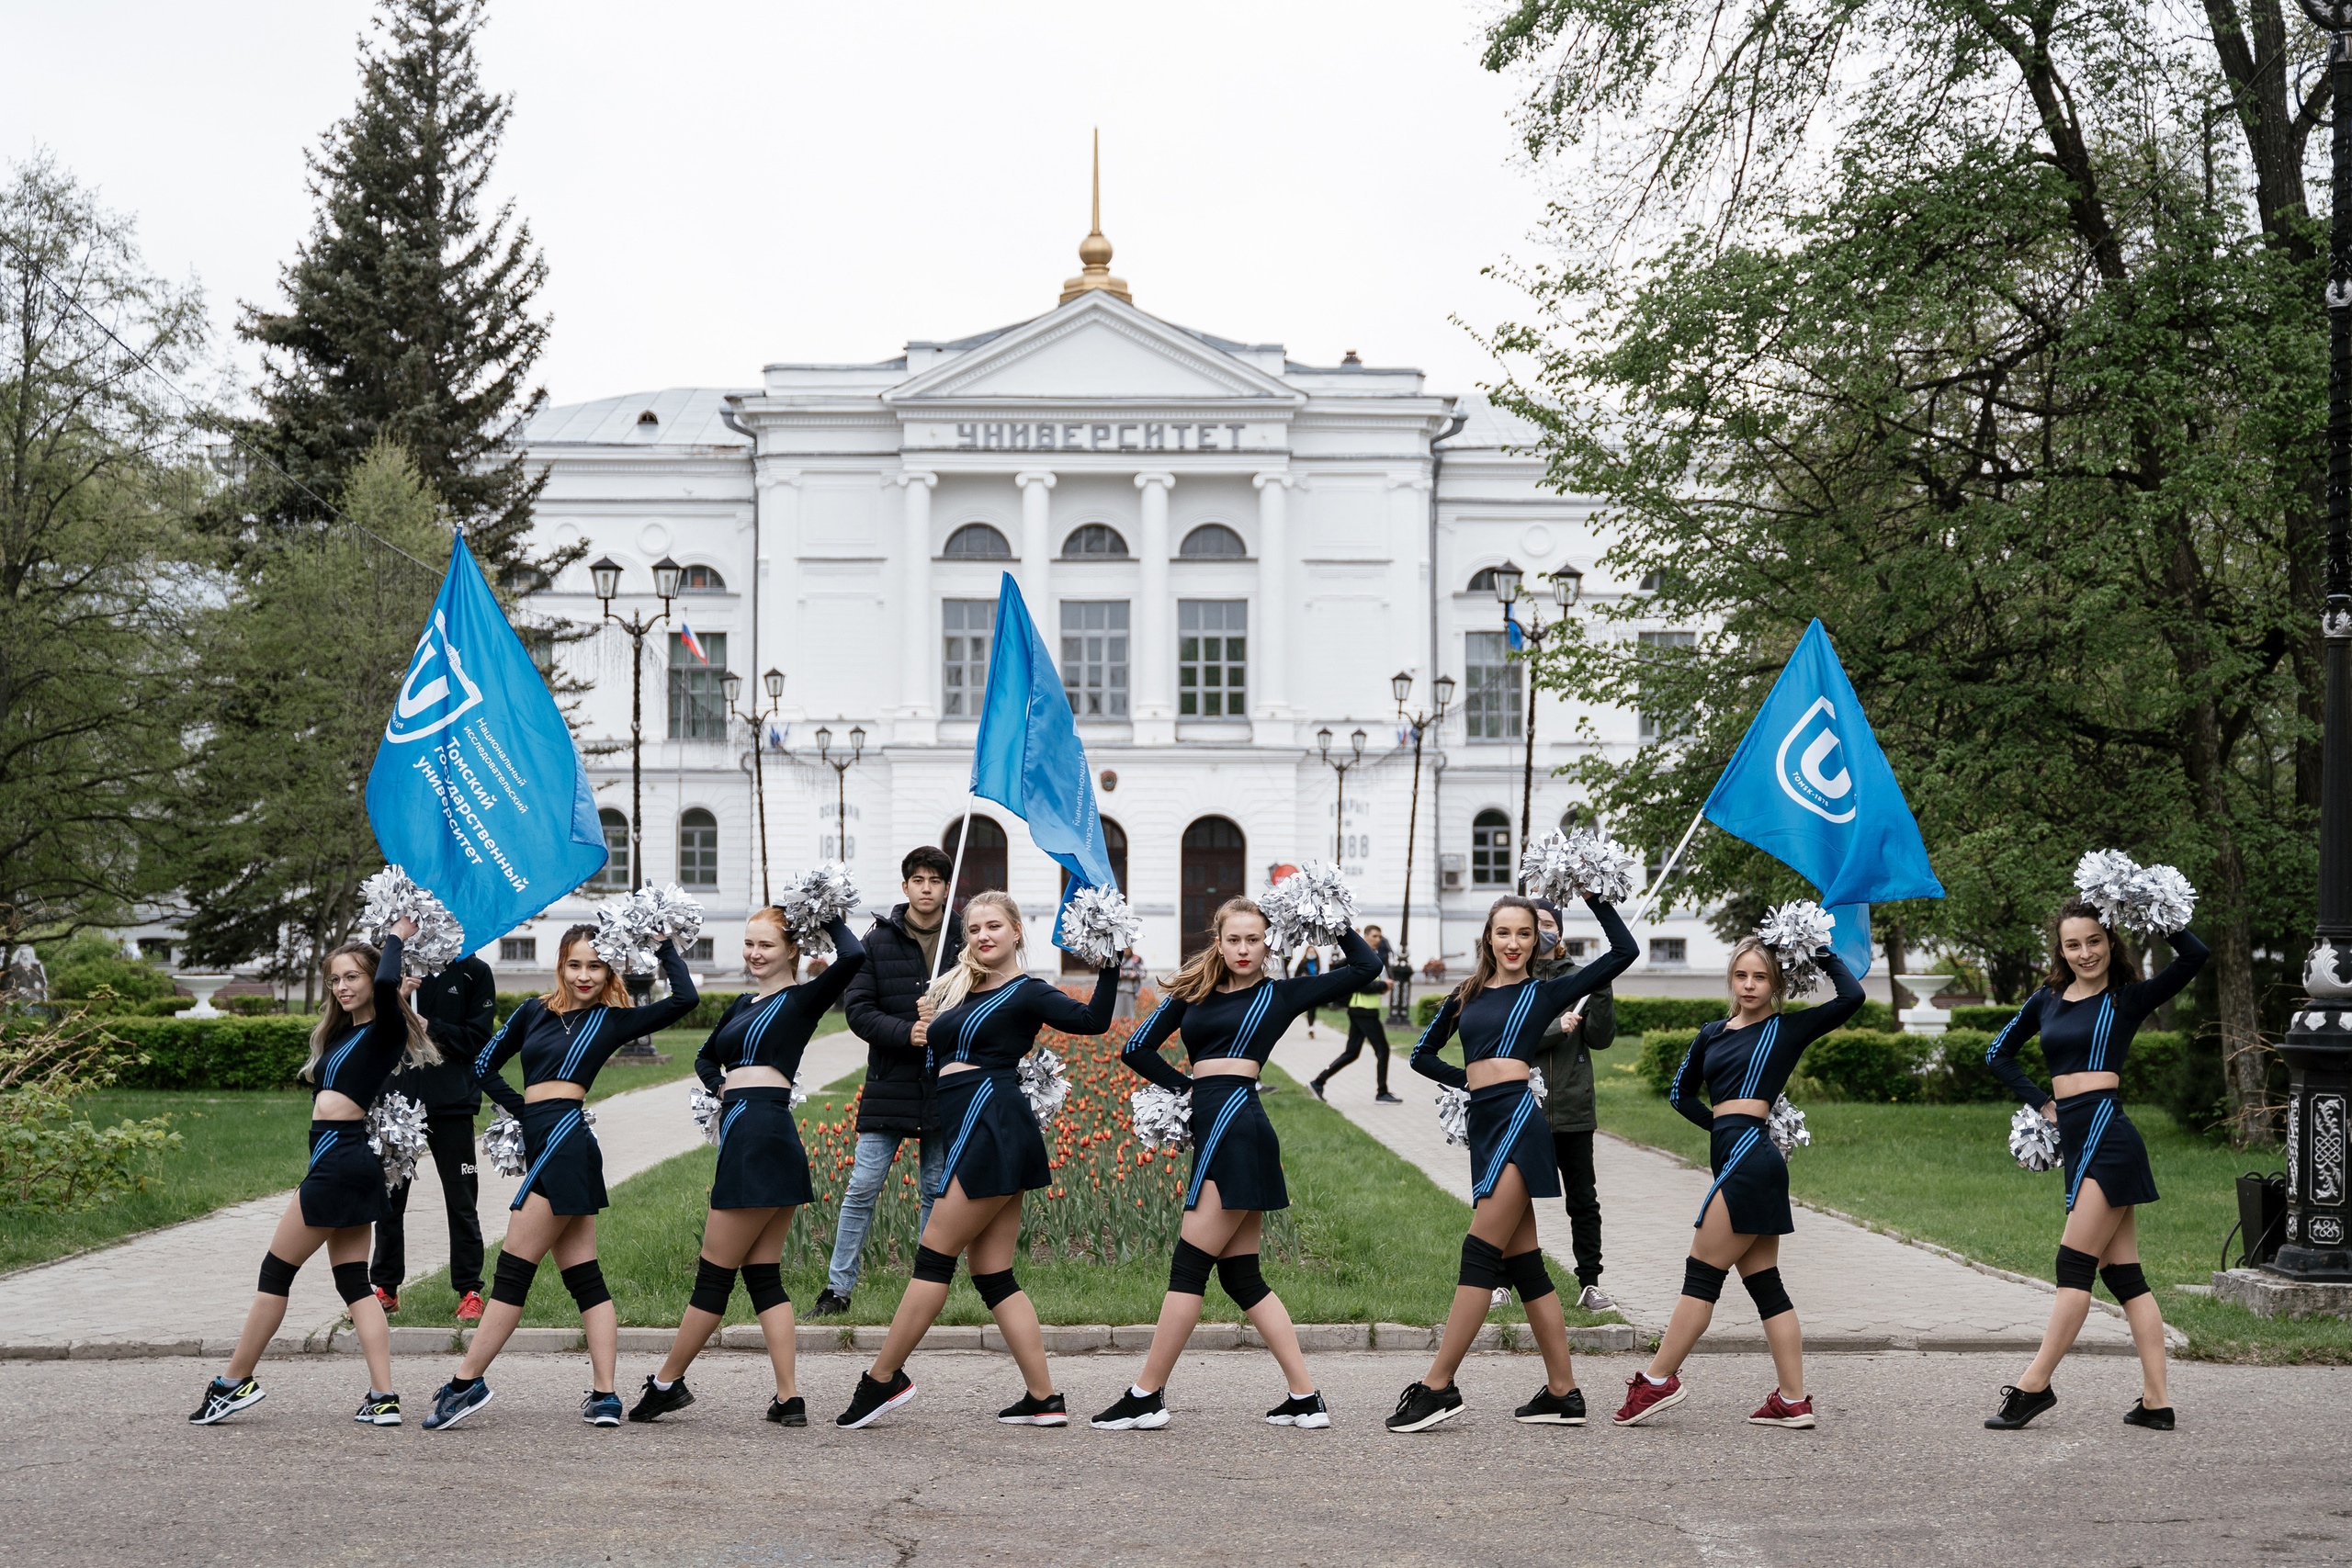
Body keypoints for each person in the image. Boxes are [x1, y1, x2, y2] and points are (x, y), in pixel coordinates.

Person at [833, 892, 1119, 1429]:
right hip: (970, 1125)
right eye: (973, 929)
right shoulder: (960, 991)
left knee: (933, 1259)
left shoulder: (1028, 991)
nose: (983, 936)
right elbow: (938, 1057)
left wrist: (1109, 962)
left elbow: (1092, 1021)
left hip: (992, 1125)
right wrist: (931, 1021)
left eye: (994, 926)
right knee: (993, 1274)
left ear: (1016, 932)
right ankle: (1044, 1398)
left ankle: (881, 1379)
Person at [1092, 902, 1380, 1432]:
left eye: (1254, 940)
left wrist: (1330, 917)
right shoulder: (1193, 992)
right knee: (1242, 1277)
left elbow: (1367, 967)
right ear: (1218, 941)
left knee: (1189, 1269)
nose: (1244, 949)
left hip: (1238, 1127)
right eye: (1234, 940)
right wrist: (1187, 1090)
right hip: (1218, 1122)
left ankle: (1145, 1396)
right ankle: (1305, 1398)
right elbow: (1136, 1048)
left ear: (1268, 943)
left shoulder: (1281, 994)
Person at [419, 928, 699, 1430]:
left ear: (609, 971)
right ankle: (605, 1397)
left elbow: (685, 999)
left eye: (595, 966)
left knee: (511, 1274)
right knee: (585, 1277)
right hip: (549, 1143)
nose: (584, 976)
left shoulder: (611, 1020)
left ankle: (465, 1384)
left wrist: (662, 946)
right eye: (575, 965)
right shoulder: (532, 1011)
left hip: (567, 1144)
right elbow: (483, 1064)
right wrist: (524, 1112)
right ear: (561, 965)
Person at [1389, 893, 1636, 1434]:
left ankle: (1438, 1386)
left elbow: (1624, 951)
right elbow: (1422, 1055)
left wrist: (1595, 898)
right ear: (1488, 937)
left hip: (1521, 1125)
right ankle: (1563, 1393)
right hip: (1485, 1125)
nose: (1514, 943)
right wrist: (1471, 1082)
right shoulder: (1465, 995)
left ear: (1538, 940)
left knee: (1479, 1253)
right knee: (1525, 1266)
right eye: (1504, 932)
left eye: (1525, 933)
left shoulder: (1545, 993)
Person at [1612, 931, 1863, 1429]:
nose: (1749, 985)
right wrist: (1722, 1124)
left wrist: (1814, 948)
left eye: (1761, 977)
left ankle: (1658, 1380)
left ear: (1777, 984)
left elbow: (1851, 997)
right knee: (1766, 1285)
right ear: (1731, 979)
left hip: (1751, 1160)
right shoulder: (1711, 1033)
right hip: (1737, 1154)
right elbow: (1680, 1094)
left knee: (1702, 1275)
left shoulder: (1787, 1029)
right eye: (1742, 975)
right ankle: (1792, 1401)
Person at [628, 908, 865, 1427]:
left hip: (761, 1135)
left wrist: (825, 914)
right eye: (749, 944)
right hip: (750, 1133)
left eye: (766, 945)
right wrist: (723, 1087)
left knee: (714, 1277)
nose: (755, 954)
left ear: (791, 950)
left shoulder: (802, 999)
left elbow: (853, 956)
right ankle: (789, 1398)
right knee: (762, 1276)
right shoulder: (740, 1004)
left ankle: (666, 1384)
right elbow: (705, 1057)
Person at [190, 920, 429, 1426]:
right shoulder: (349, 1032)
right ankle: (383, 1397)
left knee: (276, 1273)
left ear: (373, 979)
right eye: (335, 979)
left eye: (353, 976)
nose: (342, 986)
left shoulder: (385, 1026)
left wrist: (396, 937)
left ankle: (232, 1383)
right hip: (347, 1161)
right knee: (355, 1283)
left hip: (338, 1162)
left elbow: (390, 983)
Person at [1981, 899, 2206, 1432]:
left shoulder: (2128, 997)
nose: (2085, 953)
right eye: (2073, 944)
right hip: (2077, 1137)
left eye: (2094, 941)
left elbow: (2194, 955)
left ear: (2111, 942)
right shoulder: (2046, 999)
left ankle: (2035, 1385)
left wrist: (2152, 905)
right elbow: (1997, 1053)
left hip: (2109, 1136)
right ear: (2060, 951)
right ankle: (2157, 1403)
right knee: (2124, 1276)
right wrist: (2043, 1103)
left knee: (2073, 1266)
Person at [813, 847, 962, 1317]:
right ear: (905, 886)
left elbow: (988, 1002)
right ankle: (837, 1291)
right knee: (862, 1187)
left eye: (935, 880)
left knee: (934, 1190)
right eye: (918, 880)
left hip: (945, 1085)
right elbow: (858, 1010)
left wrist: (944, 1021)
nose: (926, 888)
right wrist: (907, 1032)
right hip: (889, 1082)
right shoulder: (877, 940)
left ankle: (927, 1293)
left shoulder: (965, 938)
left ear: (946, 888)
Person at [368, 948, 497, 1322]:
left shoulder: (474, 971)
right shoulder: (392, 969)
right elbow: (367, 1031)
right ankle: (385, 1288)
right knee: (390, 1200)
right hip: (397, 1104)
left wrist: (431, 1026)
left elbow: (478, 1040)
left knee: (461, 1200)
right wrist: (398, 1000)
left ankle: (470, 1290)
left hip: (452, 1103)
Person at [1525, 899, 1619, 1311]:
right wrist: (1554, 1028)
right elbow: (1506, 1039)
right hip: (1524, 1108)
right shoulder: (1513, 980)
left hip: (1573, 1107)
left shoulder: (1580, 978)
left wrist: (1601, 988)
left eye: (1548, 923)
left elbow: (1601, 1039)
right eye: (1533, 924)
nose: (1541, 931)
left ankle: (1590, 1284)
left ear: (1559, 932)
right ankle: (1501, 1282)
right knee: (1512, 1200)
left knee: (1582, 1199)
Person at [1308, 953, 1398, 1103]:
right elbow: (1363, 985)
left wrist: (1382, 987)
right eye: (1375, 939)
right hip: (1364, 1012)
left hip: (1362, 1011)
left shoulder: (1370, 958)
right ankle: (1382, 1092)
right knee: (1383, 1050)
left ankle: (1318, 1082)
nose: (1379, 941)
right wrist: (1383, 986)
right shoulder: (1361, 958)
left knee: (1351, 1053)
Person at [1115, 947, 1146, 1021]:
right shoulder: (1116, 959)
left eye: (1128, 948)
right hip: (1118, 991)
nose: (1126, 950)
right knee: (1116, 1015)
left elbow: (1144, 973)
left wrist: (1136, 974)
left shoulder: (1137, 960)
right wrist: (1117, 974)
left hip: (1131, 991)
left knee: (1130, 1016)